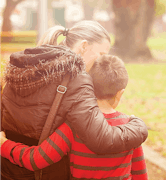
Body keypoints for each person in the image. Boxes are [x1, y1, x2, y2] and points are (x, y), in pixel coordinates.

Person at [0, 21, 148, 180]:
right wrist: (138, 126)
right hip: (44, 172)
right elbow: (102, 139)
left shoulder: (29, 64)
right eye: (101, 55)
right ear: (84, 46)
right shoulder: (76, 78)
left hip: (8, 165)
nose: (101, 63)